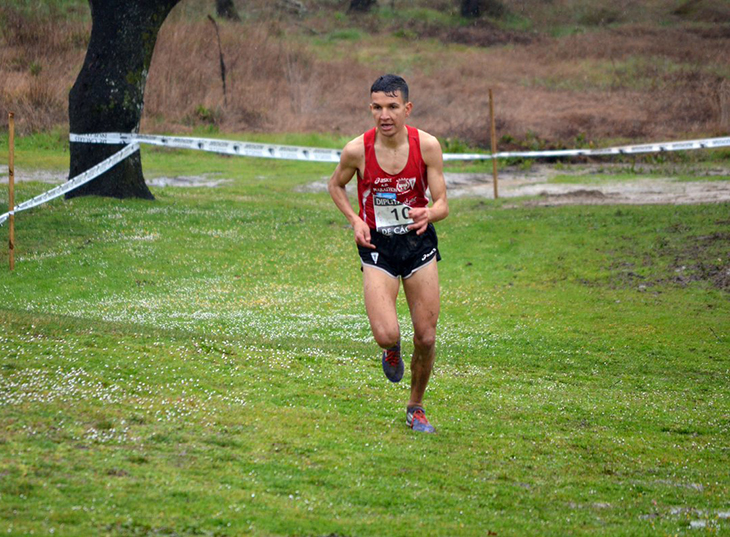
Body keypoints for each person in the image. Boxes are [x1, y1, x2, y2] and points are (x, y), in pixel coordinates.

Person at [328, 74, 449, 433]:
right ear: (371, 108)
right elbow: (335, 185)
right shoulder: (356, 150)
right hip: (377, 245)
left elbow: (443, 203)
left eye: (393, 107)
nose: (385, 115)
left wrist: (430, 212)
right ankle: (391, 349)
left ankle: (416, 406)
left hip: (417, 244)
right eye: (378, 107)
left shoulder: (427, 146)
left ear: (407, 108)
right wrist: (354, 220)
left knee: (426, 336)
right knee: (386, 333)